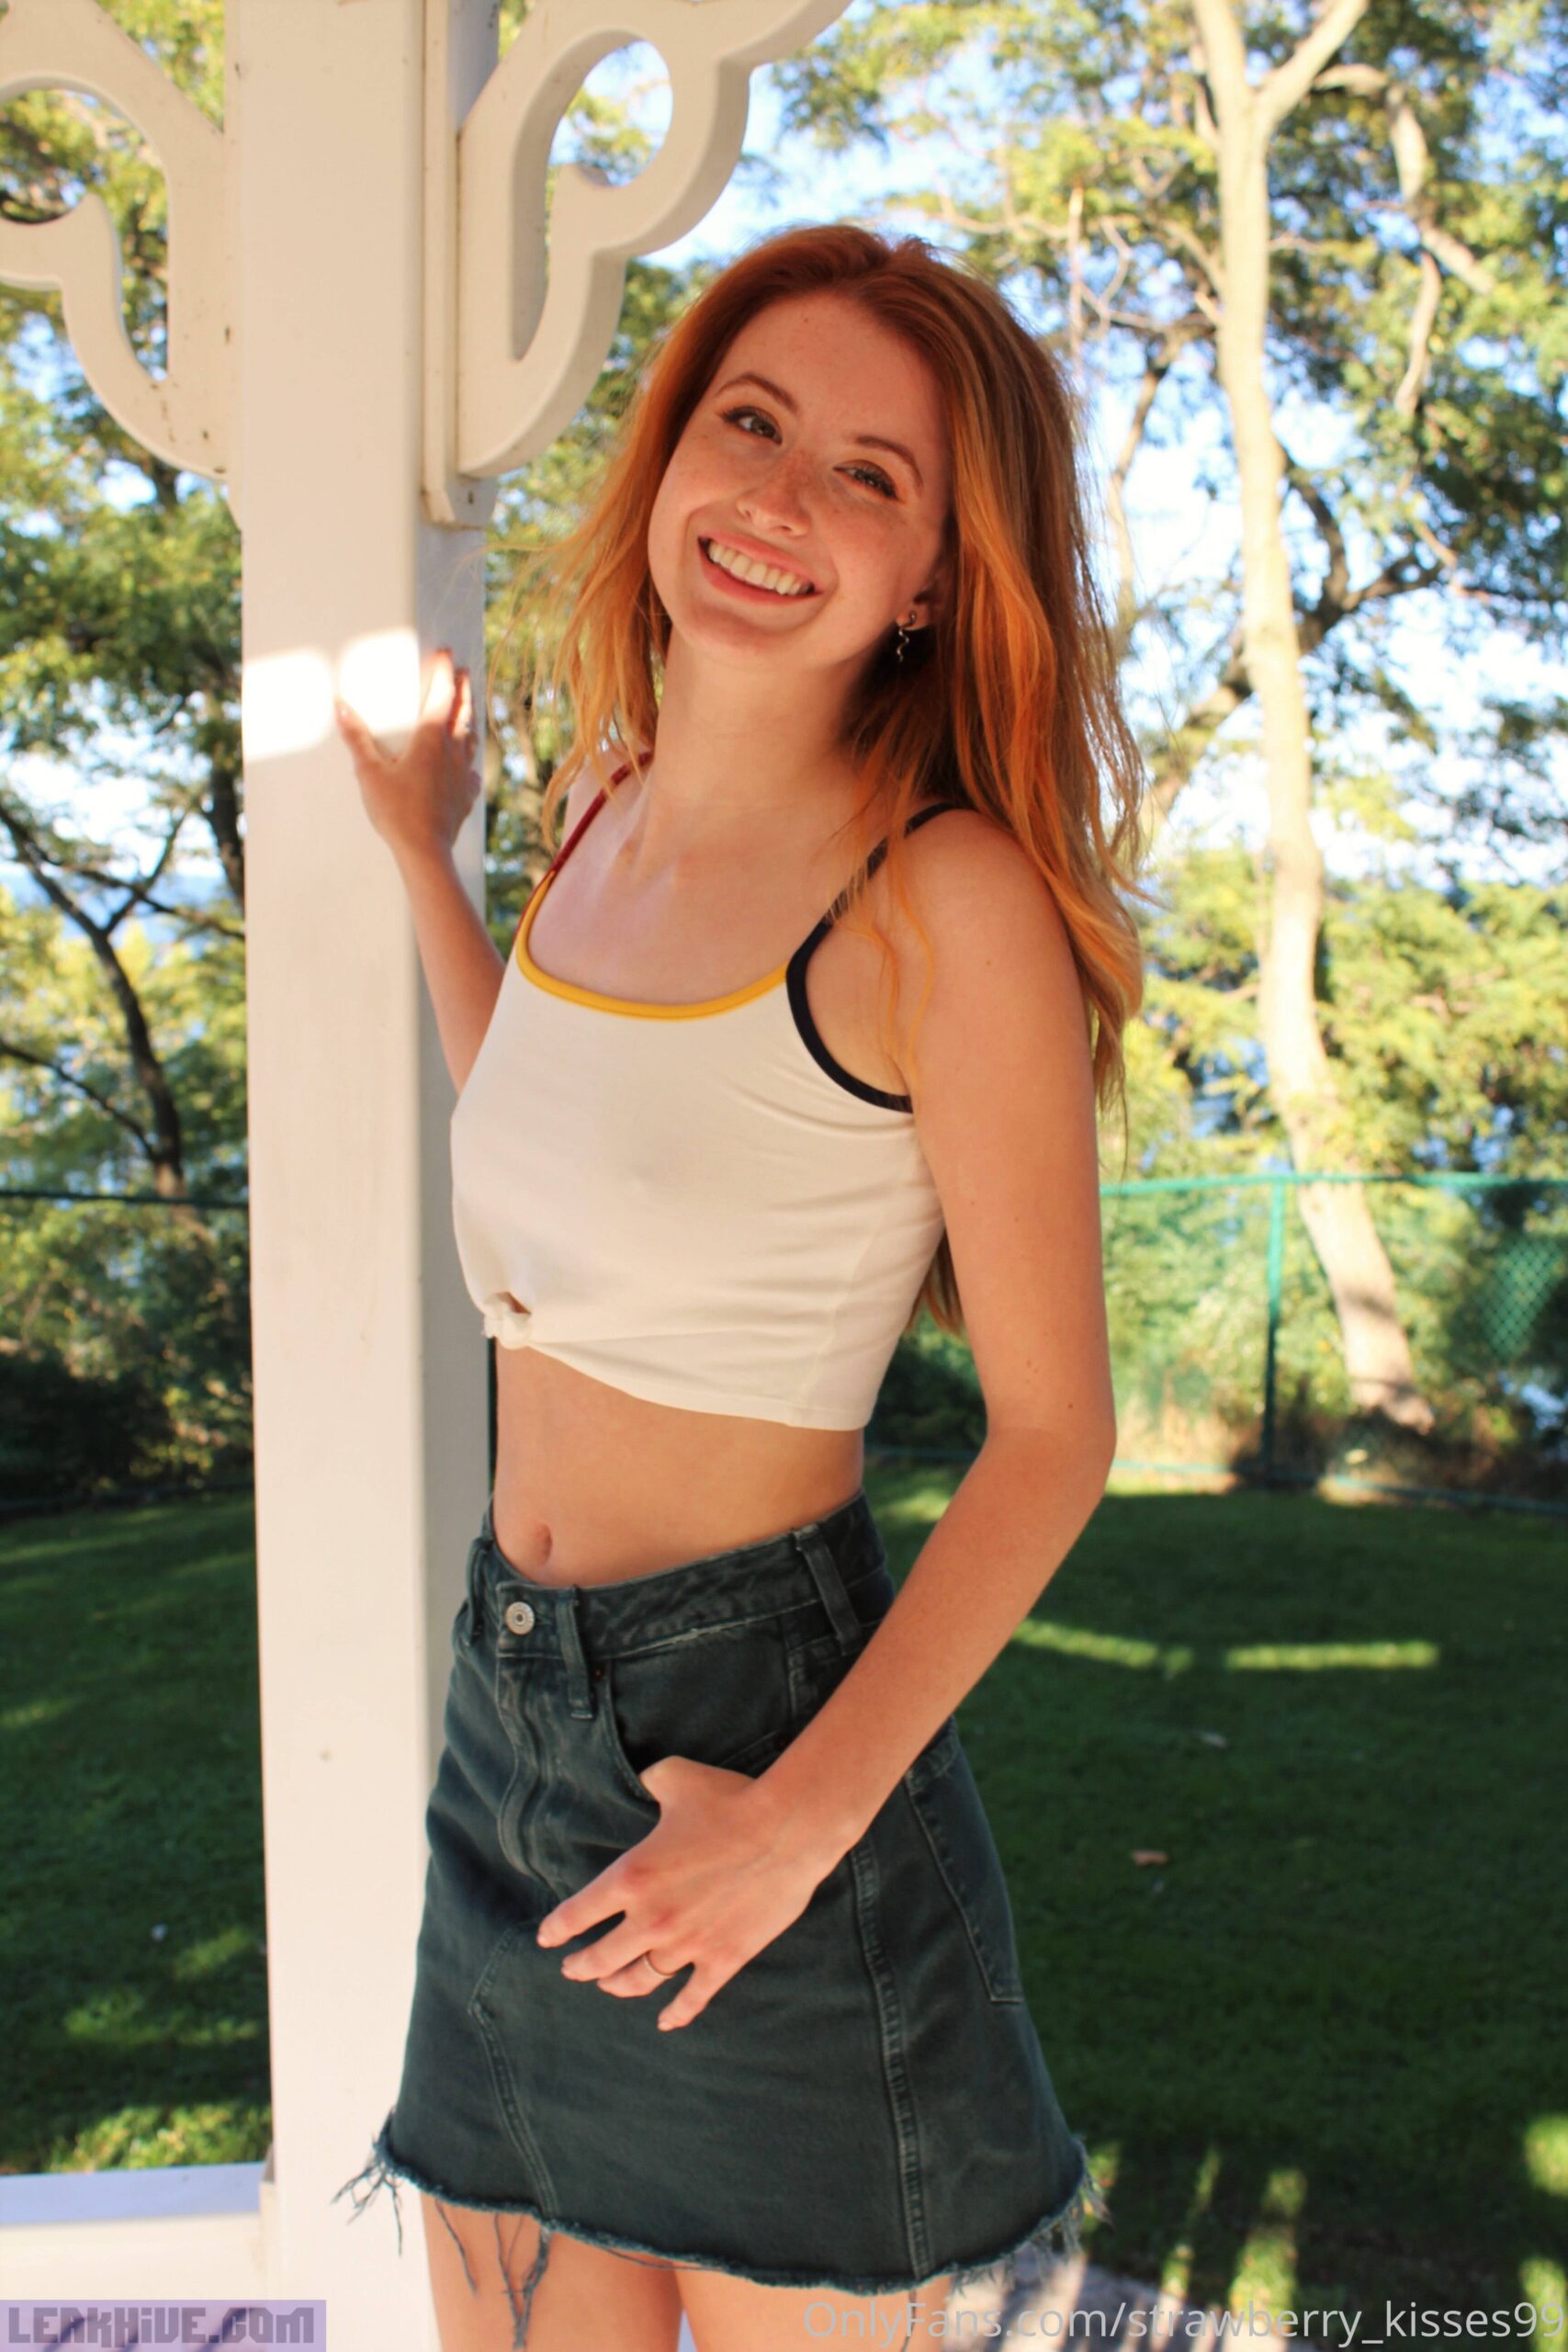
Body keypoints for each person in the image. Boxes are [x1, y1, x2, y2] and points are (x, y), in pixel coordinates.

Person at [330, 220, 1145, 2352]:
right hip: (508, 1716)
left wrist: (796, 1824)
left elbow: (1054, 1434)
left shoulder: (940, 897)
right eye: (749, 422)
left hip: (761, 1739)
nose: (780, 496)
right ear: (671, 447)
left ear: (934, 576)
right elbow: (552, 1137)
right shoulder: (600, 814)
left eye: (868, 475)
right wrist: (427, 854)